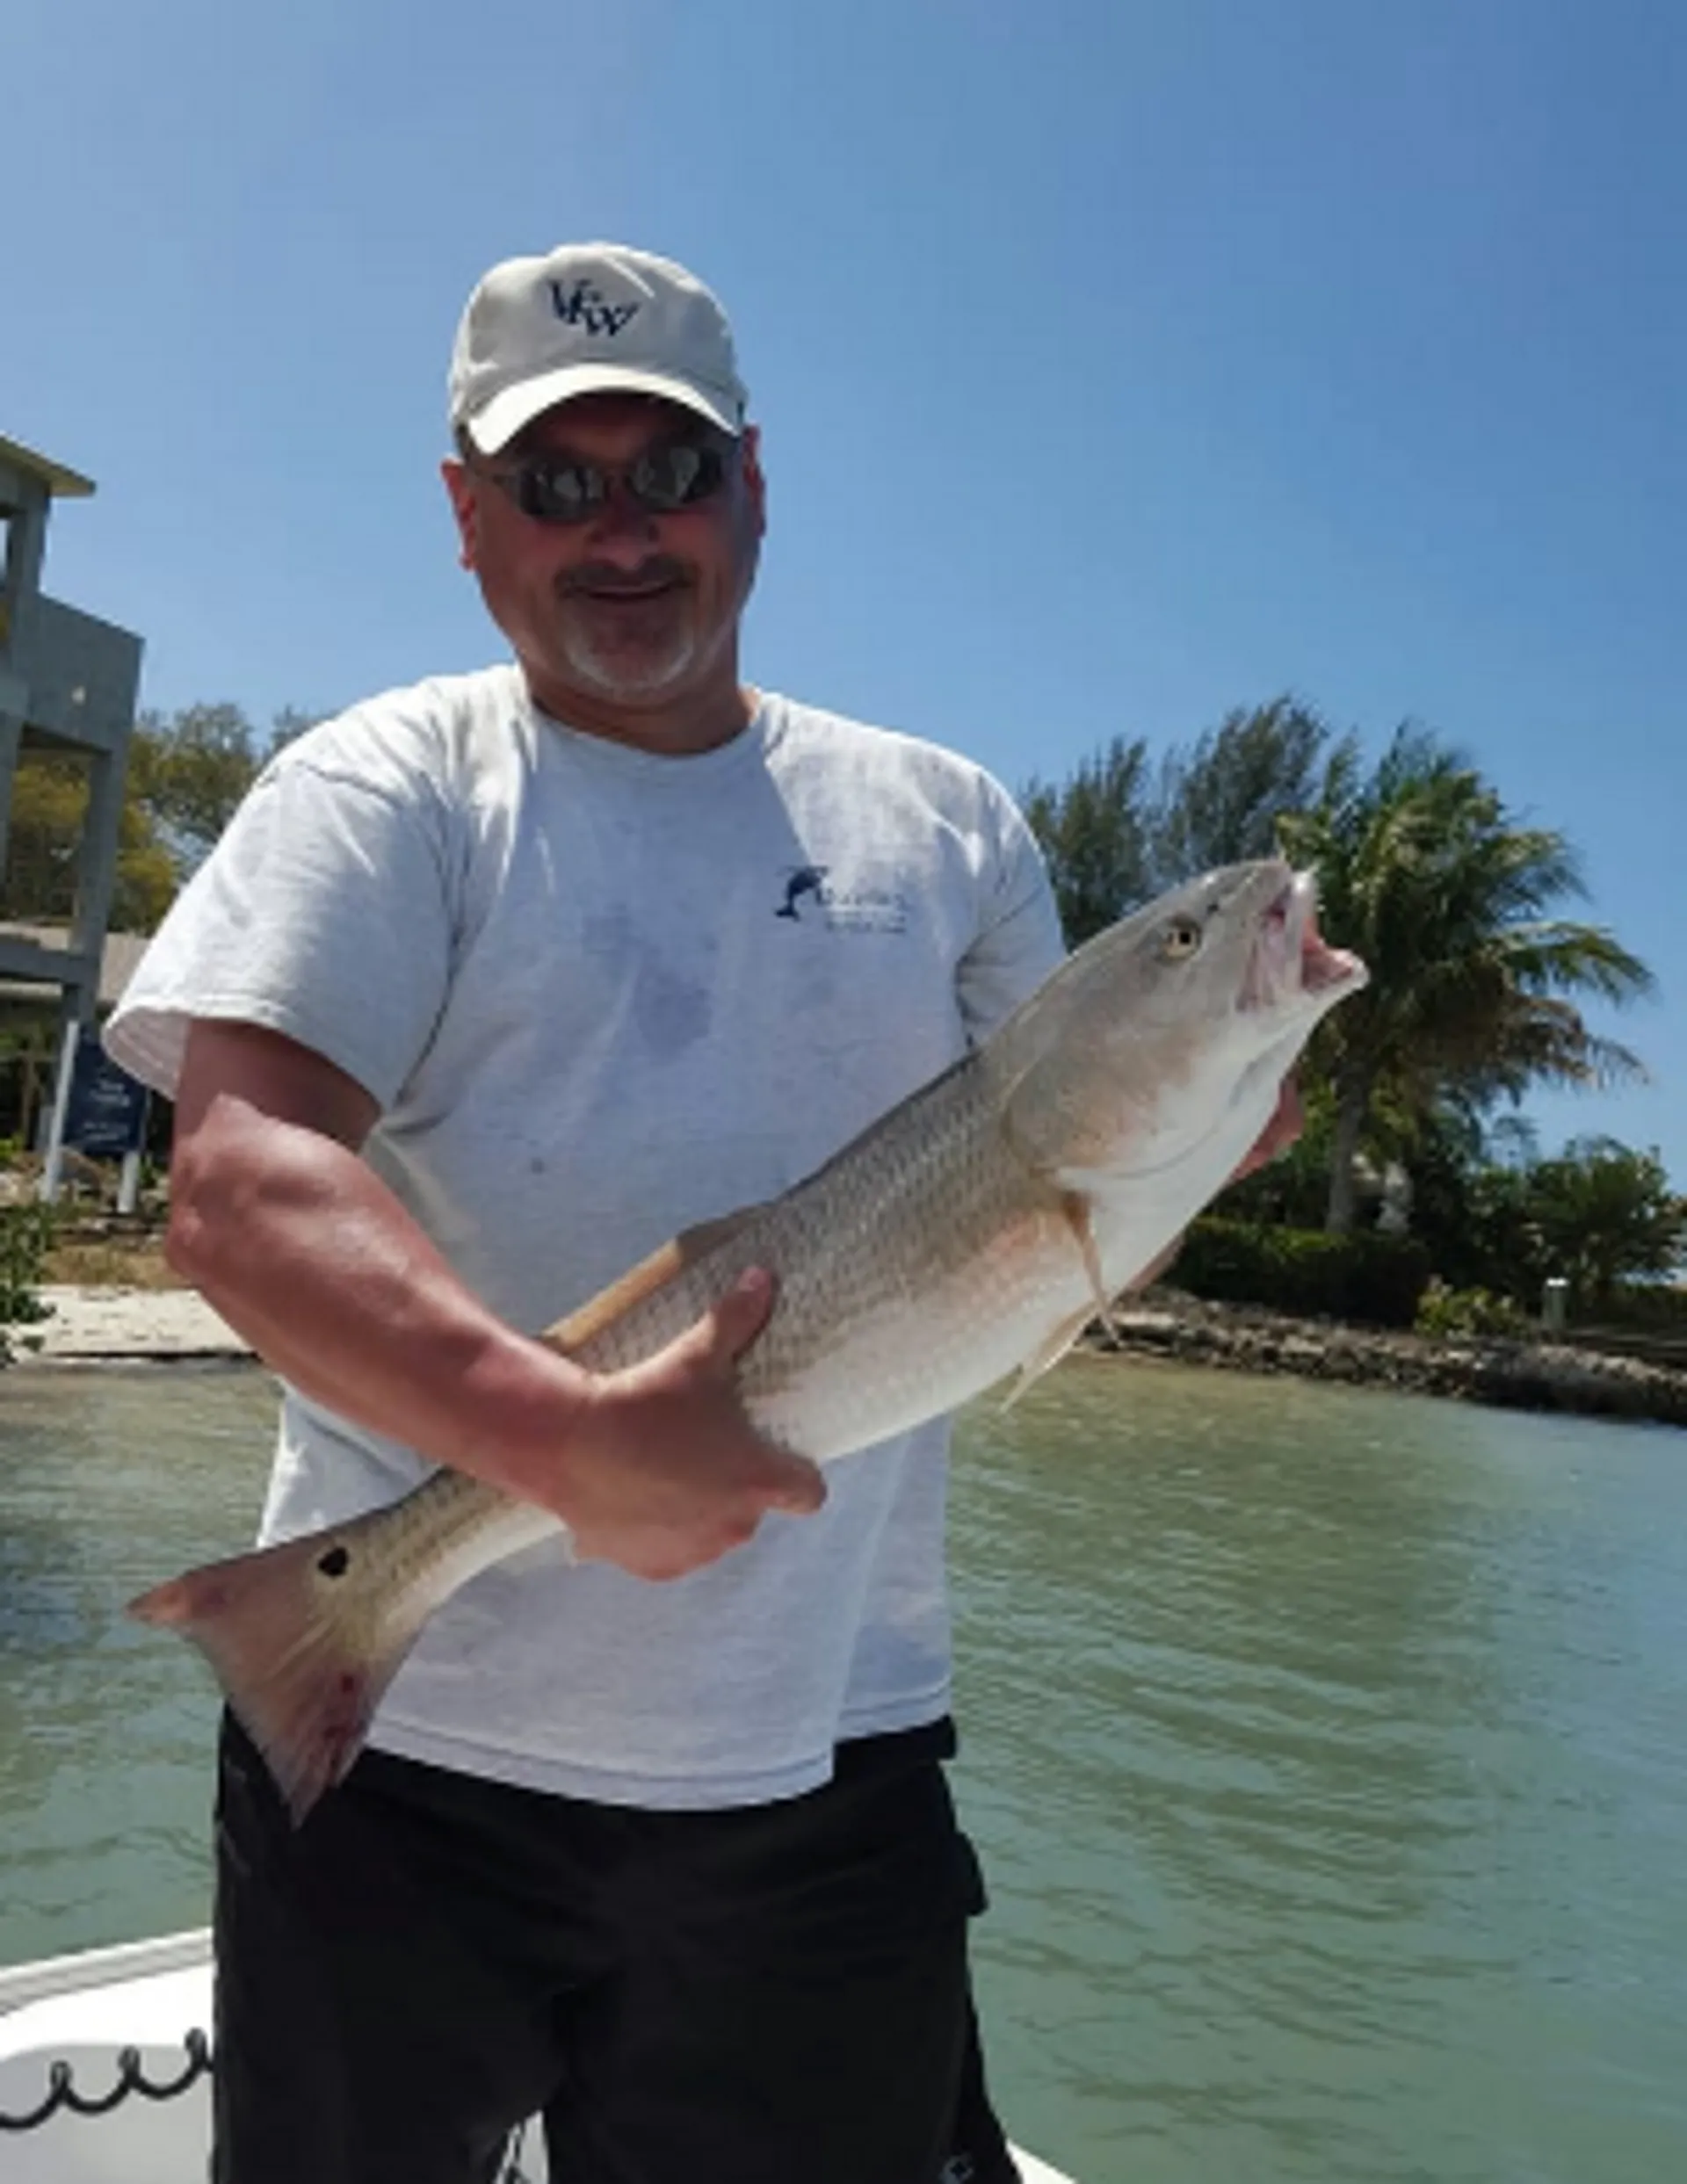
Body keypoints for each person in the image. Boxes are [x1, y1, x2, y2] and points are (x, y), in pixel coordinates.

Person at [107, 242, 1289, 2184]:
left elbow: (1048, 1240)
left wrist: (1199, 1119)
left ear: (755, 480)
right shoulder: (387, 787)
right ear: (466, 517)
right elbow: (238, 1192)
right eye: (556, 483)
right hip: (401, 1761)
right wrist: (562, 1449)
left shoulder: (953, 825)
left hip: (829, 1767)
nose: (621, 531)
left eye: (667, 471)